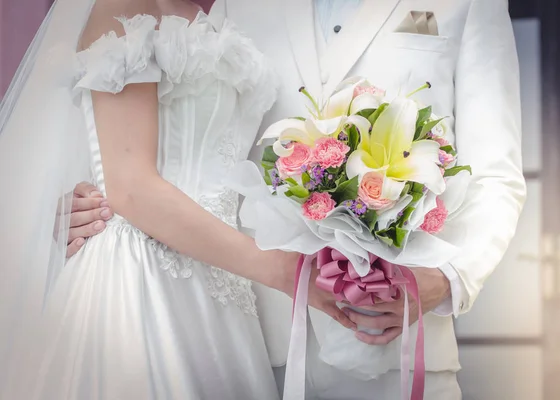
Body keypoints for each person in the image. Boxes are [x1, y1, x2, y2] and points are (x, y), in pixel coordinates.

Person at [69, 0, 526, 399]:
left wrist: (449, 278)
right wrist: (94, 201)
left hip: (394, 341)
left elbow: (496, 174)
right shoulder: (234, 6)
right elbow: (179, 133)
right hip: (253, 340)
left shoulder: (467, 3)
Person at [0, 0, 355, 399]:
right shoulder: (125, 8)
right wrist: (285, 271)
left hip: (226, 287)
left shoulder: (228, 12)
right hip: (141, 280)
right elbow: (132, 186)